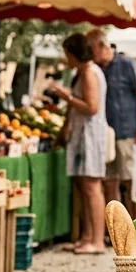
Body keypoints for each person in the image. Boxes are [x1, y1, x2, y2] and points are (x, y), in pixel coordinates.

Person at [52, 33, 107, 255]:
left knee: (92, 187)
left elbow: (91, 107)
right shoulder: (85, 72)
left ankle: (97, 240)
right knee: (85, 187)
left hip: (90, 136)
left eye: (67, 54)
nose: (66, 59)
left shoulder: (89, 73)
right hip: (84, 135)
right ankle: (87, 236)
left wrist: (66, 97)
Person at [86, 29, 136, 218]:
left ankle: (135, 226)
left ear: (101, 46)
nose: (89, 54)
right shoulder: (96, 69)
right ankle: (115, 229)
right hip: (104, 134)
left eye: (91, 49)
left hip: (126, 132)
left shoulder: (125, 63)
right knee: (109, 181)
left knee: (129, 181)